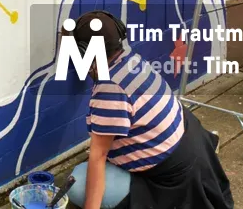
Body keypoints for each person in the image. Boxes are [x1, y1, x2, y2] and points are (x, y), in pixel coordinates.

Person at [63, 11, 234, 209]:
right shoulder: (131, 60)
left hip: (170, 182)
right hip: (190, 150)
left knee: (76, 182)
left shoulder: (109, 89)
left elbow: (98, 156)